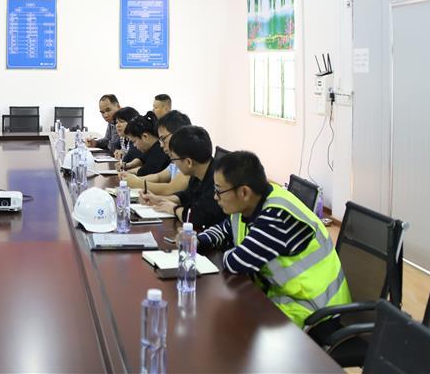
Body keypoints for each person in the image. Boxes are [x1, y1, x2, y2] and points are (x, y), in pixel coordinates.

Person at [198, 150, 350, 326]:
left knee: (231, 325)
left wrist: (220, 255)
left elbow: (237, 262)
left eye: (219, 191)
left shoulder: (276, 217)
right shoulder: (251, 204)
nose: (215, 197)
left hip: (315, 309)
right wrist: (198, 240)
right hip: (282, 297)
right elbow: (224, 229)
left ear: (244, 192)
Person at [138, 126, 225, 228]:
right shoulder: (199, 172)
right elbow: (186, 196)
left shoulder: (218, 181)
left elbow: (197, 217)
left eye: (174, 159)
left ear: (188, 162)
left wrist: (174, 209)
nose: (174, 164)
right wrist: (158, 199)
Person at [121, 110, 191, 195]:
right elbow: (158, 177)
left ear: (178, 134)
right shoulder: (176, 159)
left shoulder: (189, 159)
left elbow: (171, 189)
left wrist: (138, 183)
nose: (161, 145)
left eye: (163, 139)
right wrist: (134, 180)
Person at [112, 107, 143, 171]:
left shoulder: (137, 138)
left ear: (132, 122)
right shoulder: (123, 137)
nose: (118, 125)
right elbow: (114, 145)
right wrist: (118, 150)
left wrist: (124, 154)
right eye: (116, 122)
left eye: (121, 122)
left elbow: (129, 158)